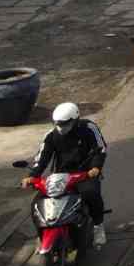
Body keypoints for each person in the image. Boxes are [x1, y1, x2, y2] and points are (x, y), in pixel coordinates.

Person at [26, 100, 108, 246]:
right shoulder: (51, 136)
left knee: (91, 194)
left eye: (64, 124)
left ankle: (98, 227)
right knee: (37, 204)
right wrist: (32, 176)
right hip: (61, 177)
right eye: (57, 124)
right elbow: (42, 158)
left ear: (75, 120)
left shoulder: (89, 127)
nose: (61, 127)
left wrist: (95, 167)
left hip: (85, 173)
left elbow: (100, 148)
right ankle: (42, 237)